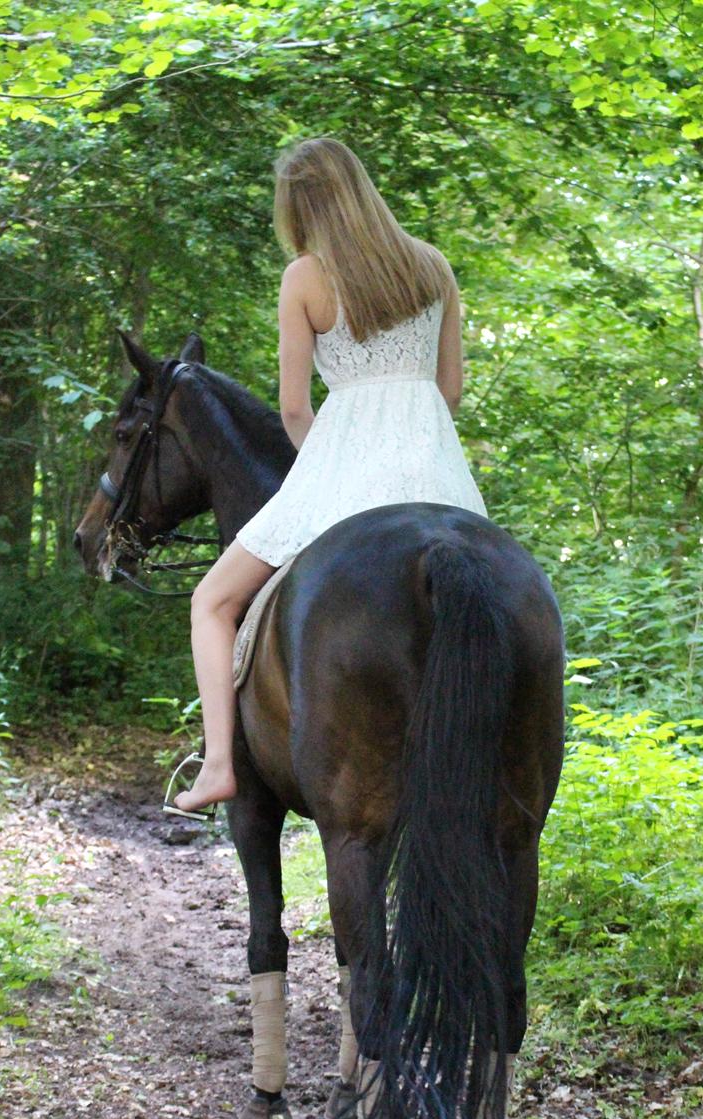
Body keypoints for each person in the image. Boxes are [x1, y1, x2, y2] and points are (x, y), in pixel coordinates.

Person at [170, 136, 487, 816]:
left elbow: (291, 407)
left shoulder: (305, 277)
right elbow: (451, 390)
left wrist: (335, 464)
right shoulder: (432, 266)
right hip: (434, 470)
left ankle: (219, 765)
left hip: (343, 466)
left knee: (212, 602)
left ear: (297, 206)